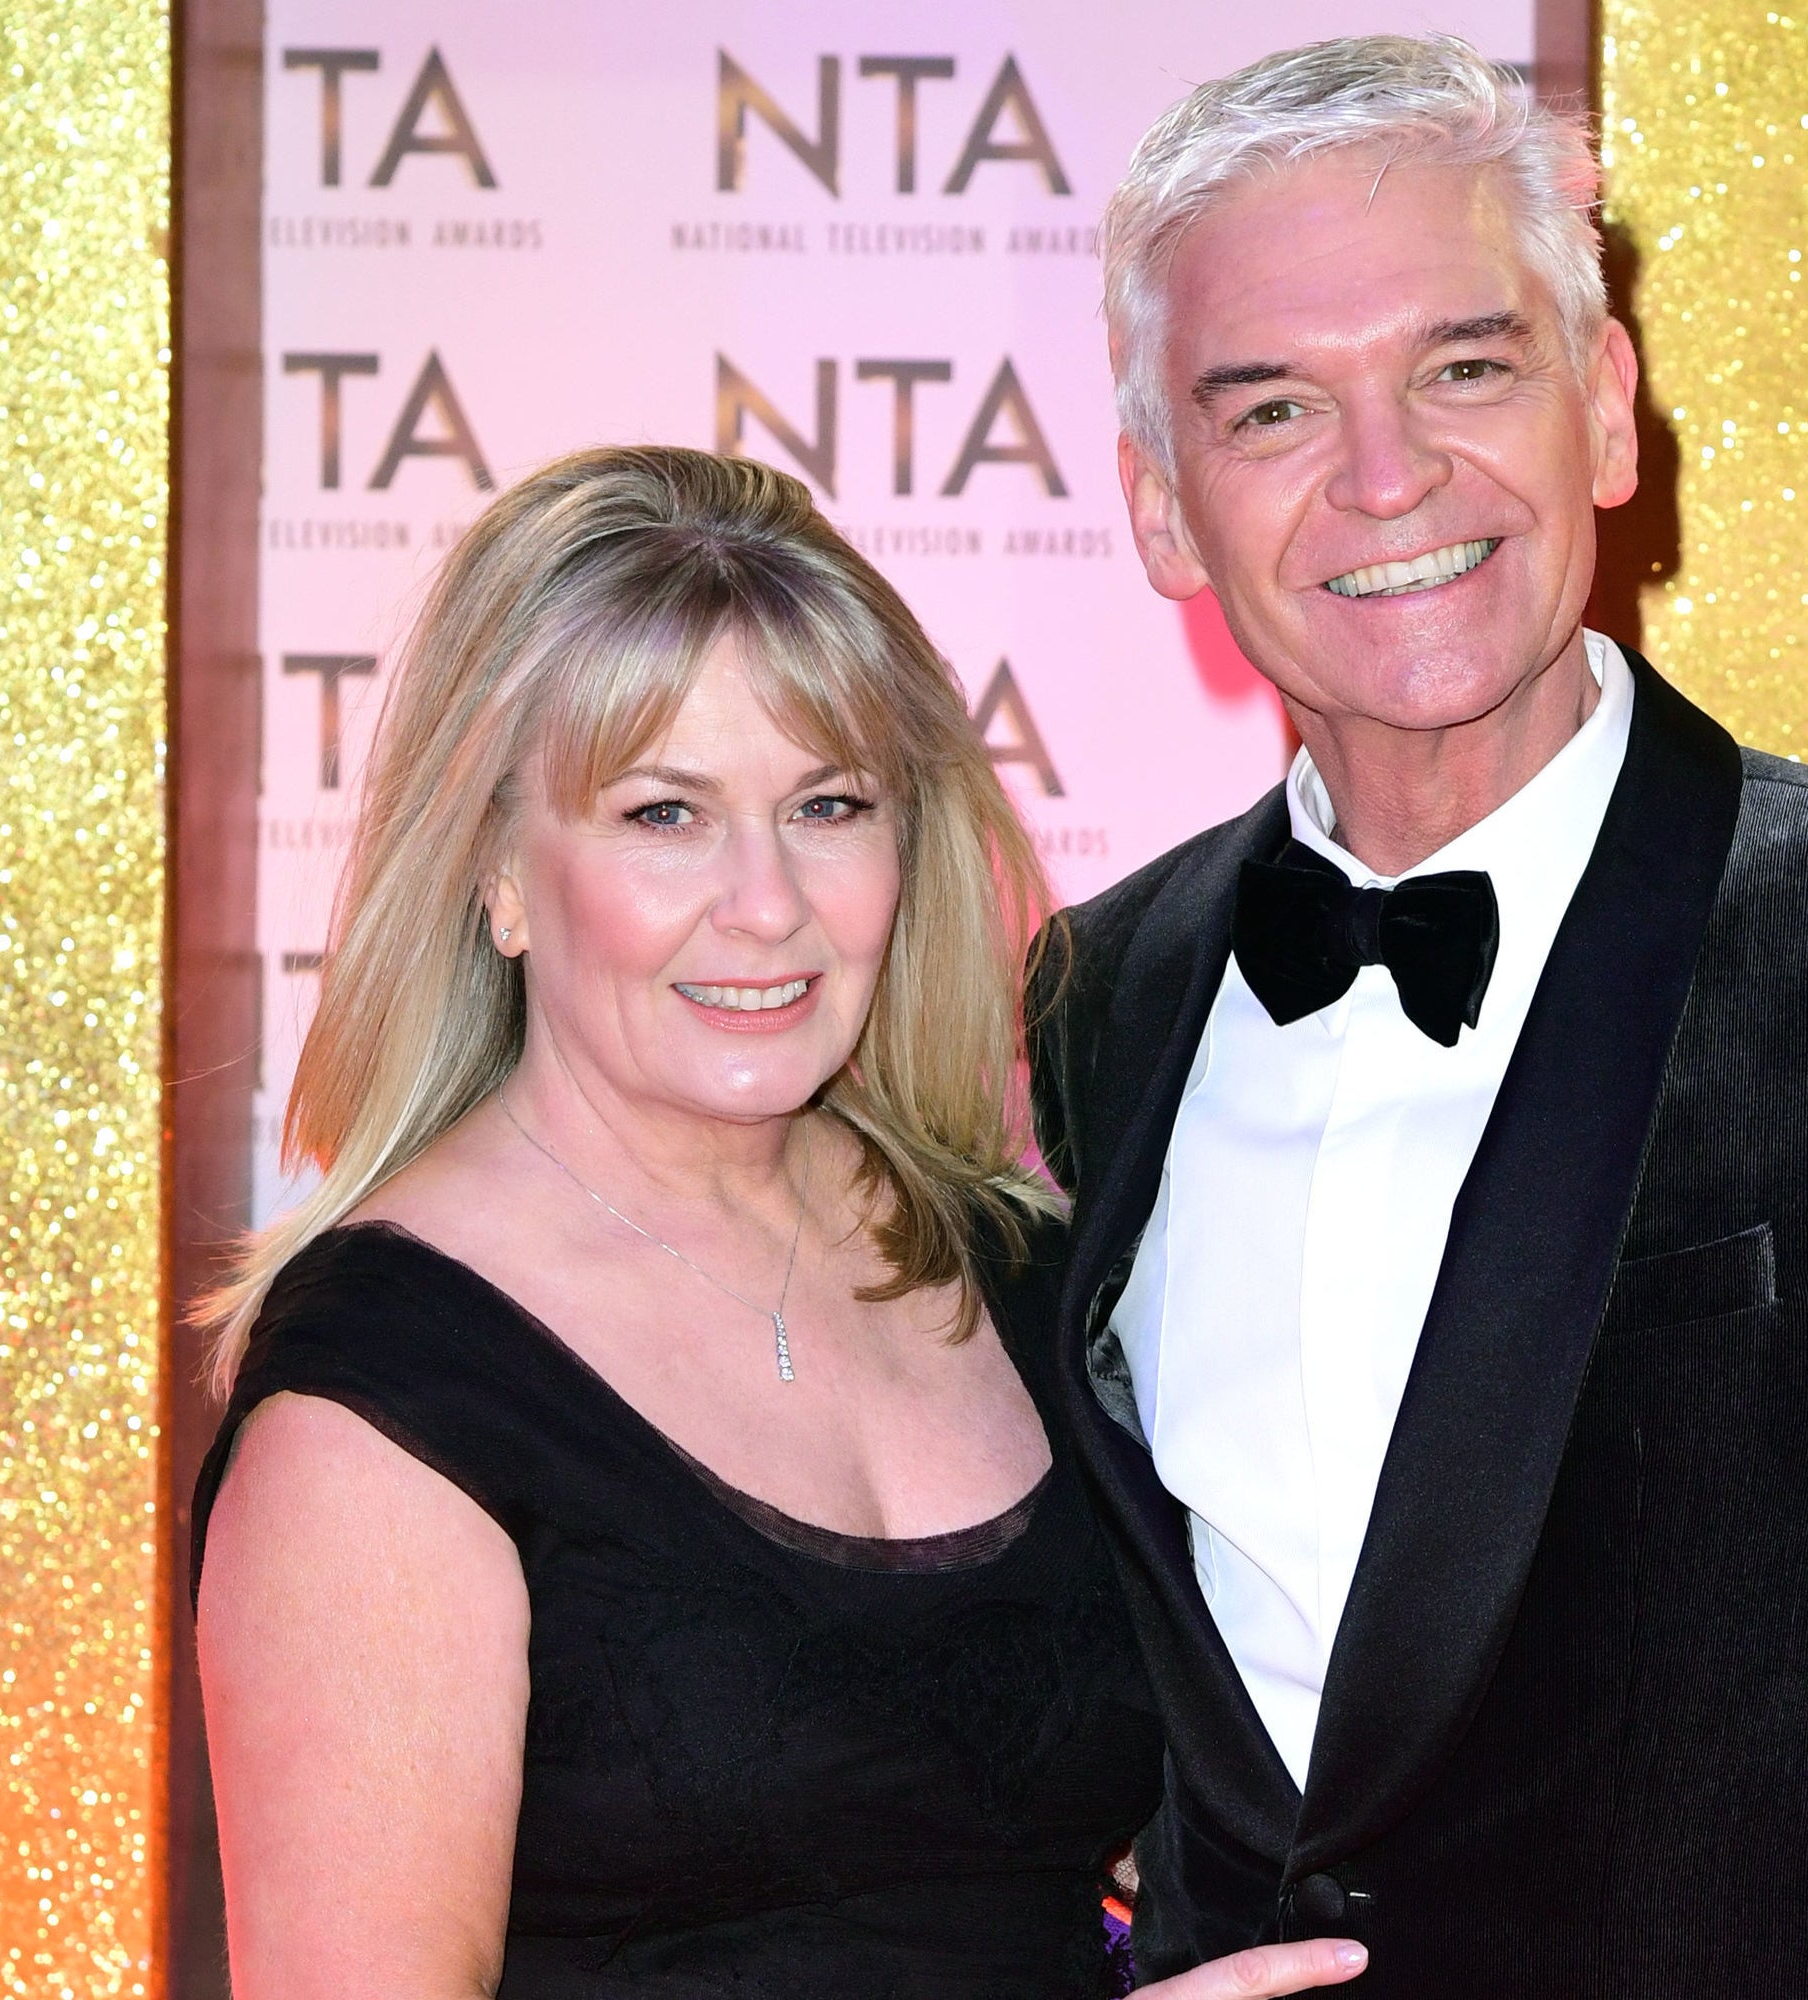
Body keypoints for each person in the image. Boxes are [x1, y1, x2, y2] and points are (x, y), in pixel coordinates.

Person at [1026, 37, 1808, 1997]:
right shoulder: (1086, 1010)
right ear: (1160, 511)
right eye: (1270, 410)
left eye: (1462, 368)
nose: (1387, 475)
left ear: (1605, 411)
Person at [192, 446, 1364, 1999]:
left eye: (827, 805)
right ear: (498, 874)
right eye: (664, 813)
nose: (765, 903)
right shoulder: (385, 1396)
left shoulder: (1018, 1265)